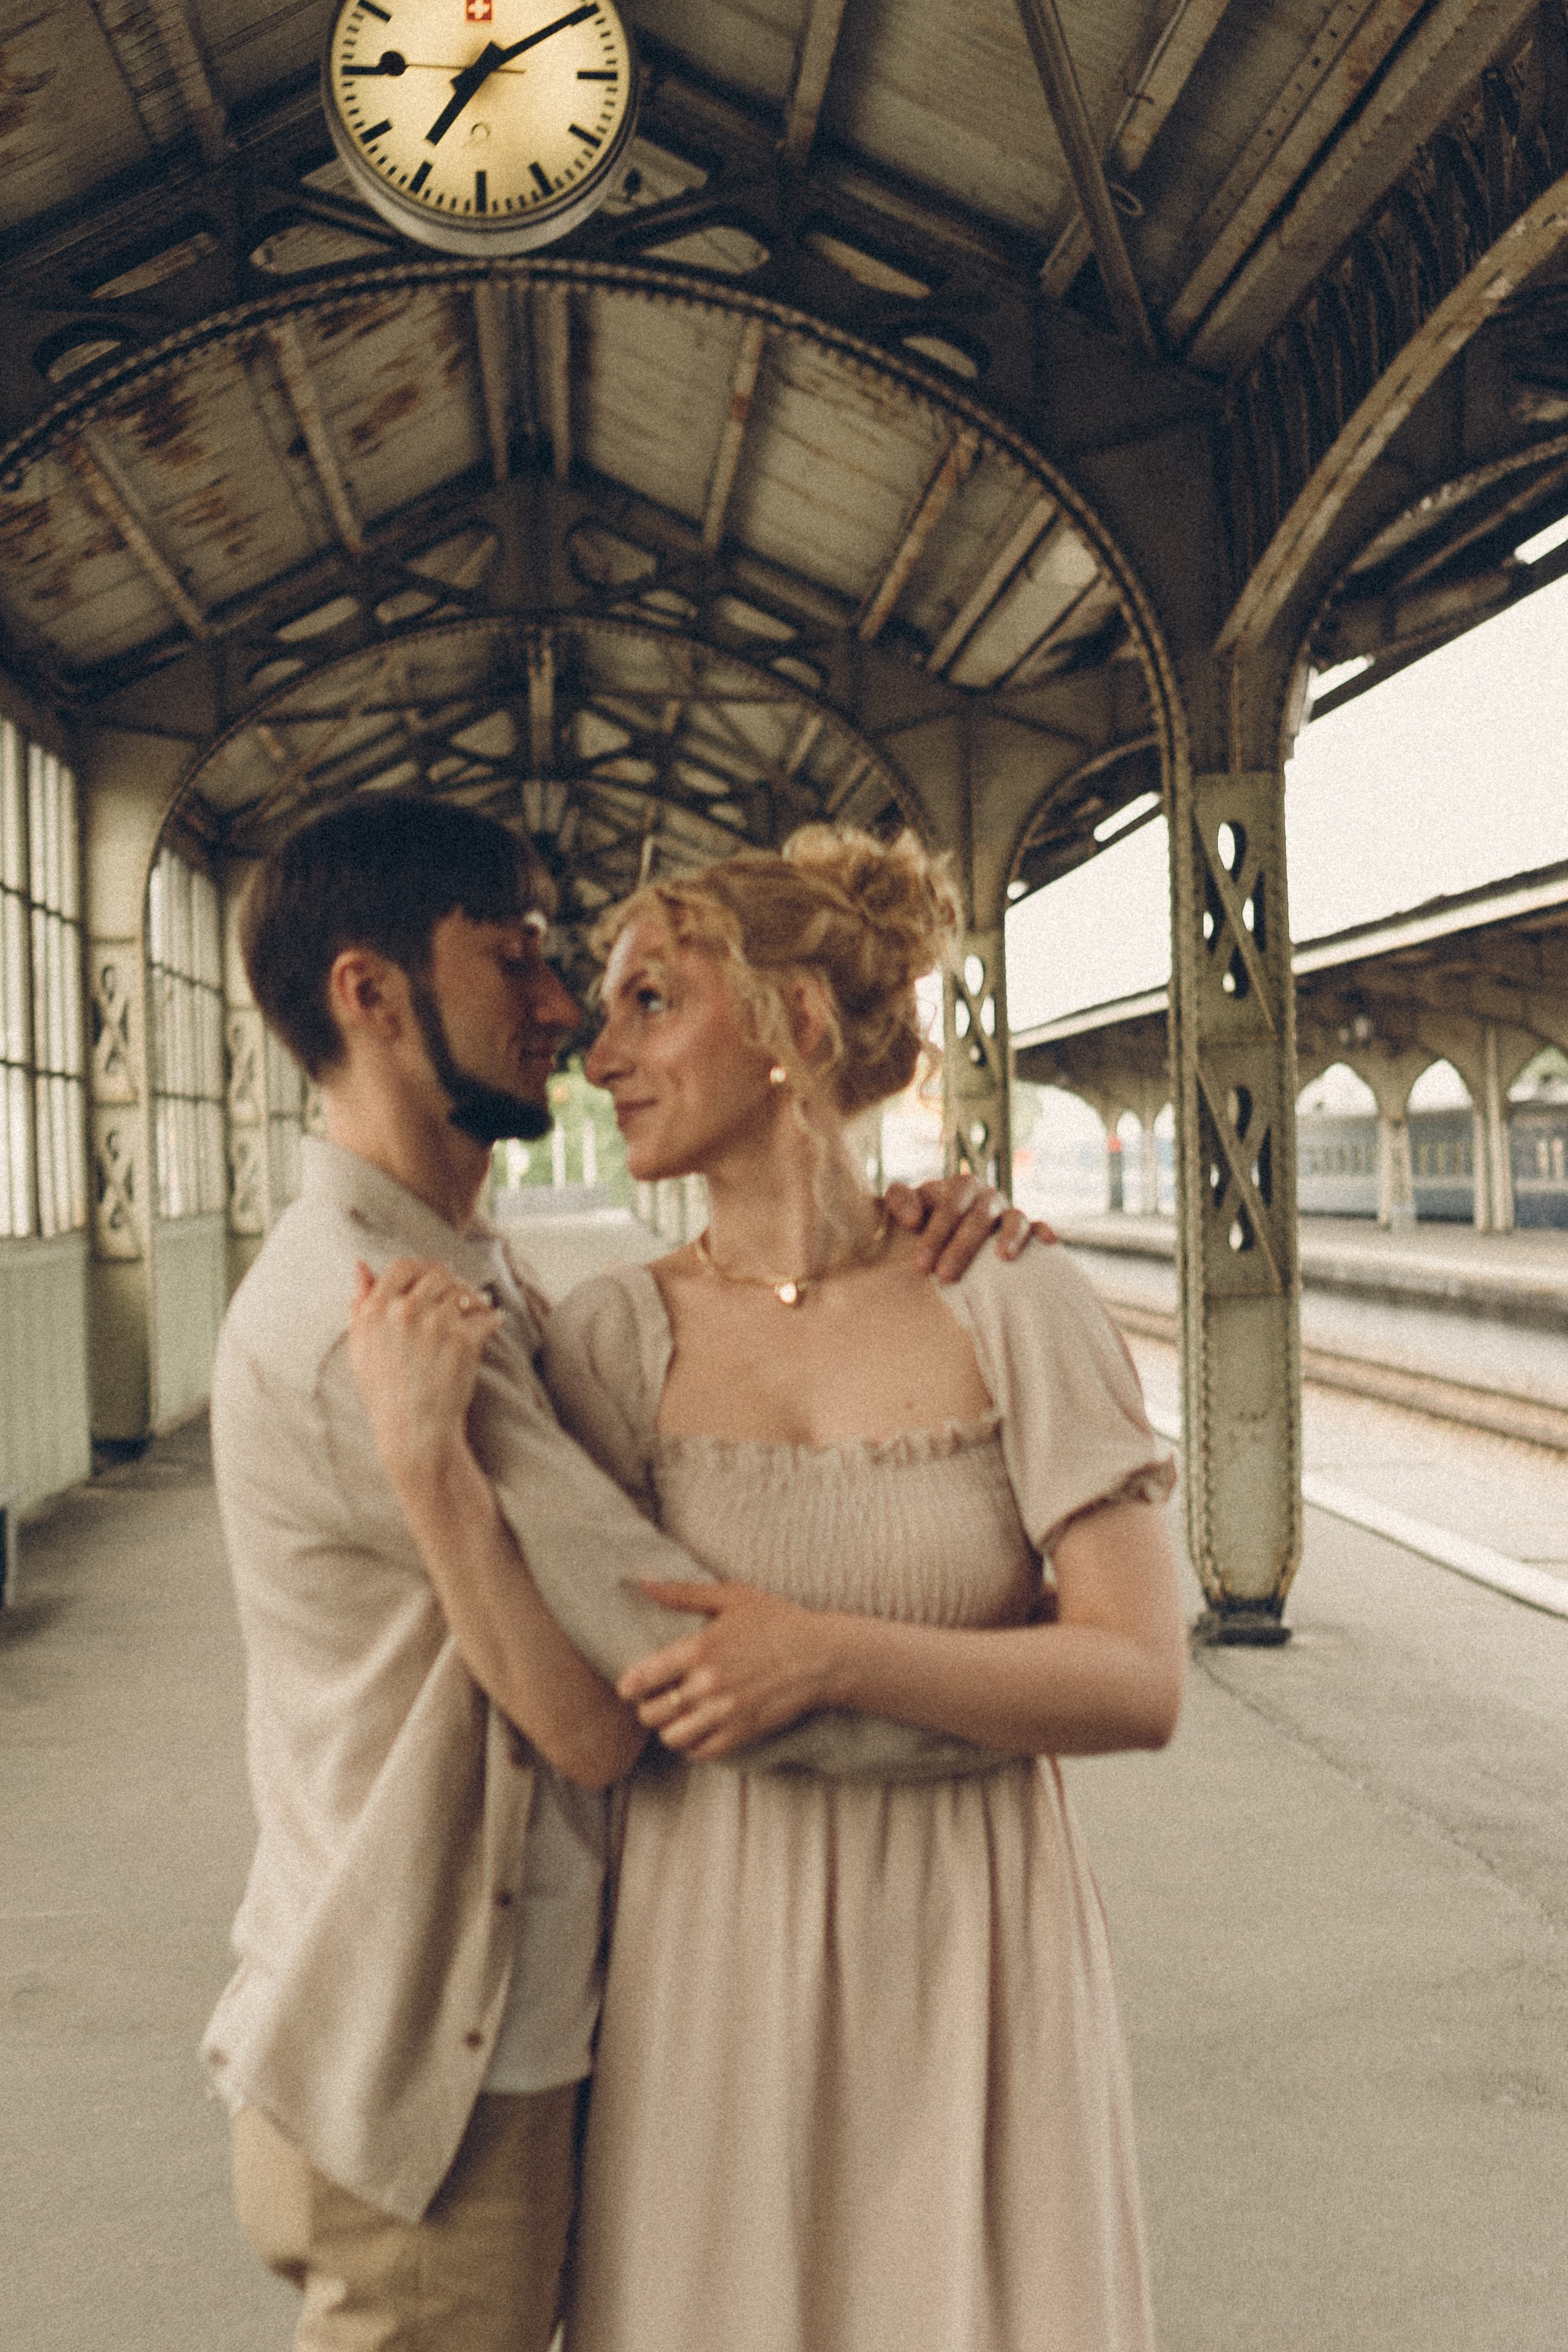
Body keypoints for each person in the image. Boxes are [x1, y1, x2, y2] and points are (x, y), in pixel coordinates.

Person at [203, 794, 1038, 2352]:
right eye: (513, 964)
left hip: (495, 2035)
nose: (562, 1015)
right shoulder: (365, 1319)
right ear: (371, 996)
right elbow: (644, 1684)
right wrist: (1024, 1709)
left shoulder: (466, 1267)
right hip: (433, 2077)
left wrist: (891, 1235)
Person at [527, 823, 1186, 2352]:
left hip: (976, 1954)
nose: (595, 1055)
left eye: (647, 1003)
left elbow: (1136, 1680)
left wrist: (824, 1656)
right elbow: (592, 1710)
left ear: (791, 1028)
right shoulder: (615, 1342)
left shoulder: (1009, 1297)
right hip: (708, 1962)